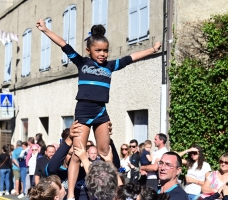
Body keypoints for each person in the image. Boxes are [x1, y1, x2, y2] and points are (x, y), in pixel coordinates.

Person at [36, 19, 161, 200]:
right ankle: (71, 194)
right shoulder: (82, 62)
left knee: (105, 152)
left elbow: (131, 58)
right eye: (98, 50)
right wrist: (45, 29)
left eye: (105, 50)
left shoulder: (110, 66)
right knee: (78, 155)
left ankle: (113, 191)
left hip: (101, 112)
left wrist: (152, 50)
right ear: (89, 50)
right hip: (83, 112)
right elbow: (64, 44)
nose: (103, 54)